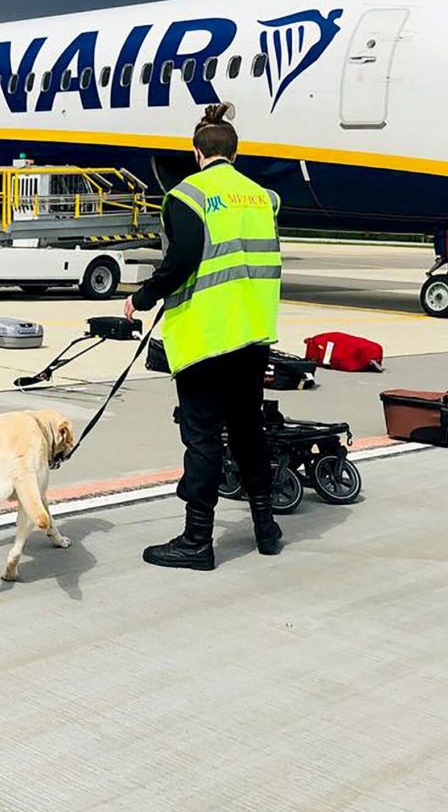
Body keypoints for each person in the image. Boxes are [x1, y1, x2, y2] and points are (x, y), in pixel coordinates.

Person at [125, 102, 282, 570]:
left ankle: (197, 540)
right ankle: (266, 527)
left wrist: (143, 296)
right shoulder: (262, 198)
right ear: (234, 152)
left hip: (207, 337)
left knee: (203, 439)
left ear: (197, 153)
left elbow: (182, 259)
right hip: (253, 334)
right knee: (248, 430)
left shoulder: (188, 196)